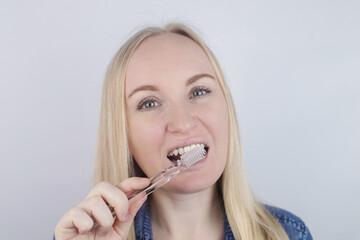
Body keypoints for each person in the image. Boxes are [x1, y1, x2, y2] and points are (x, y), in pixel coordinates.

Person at [54, 23, 313, 240]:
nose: (183, 123)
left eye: (199, 91)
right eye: (149, 103)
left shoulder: (288, 233)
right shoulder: (83, 236)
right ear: (122, 133)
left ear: (227, 108)